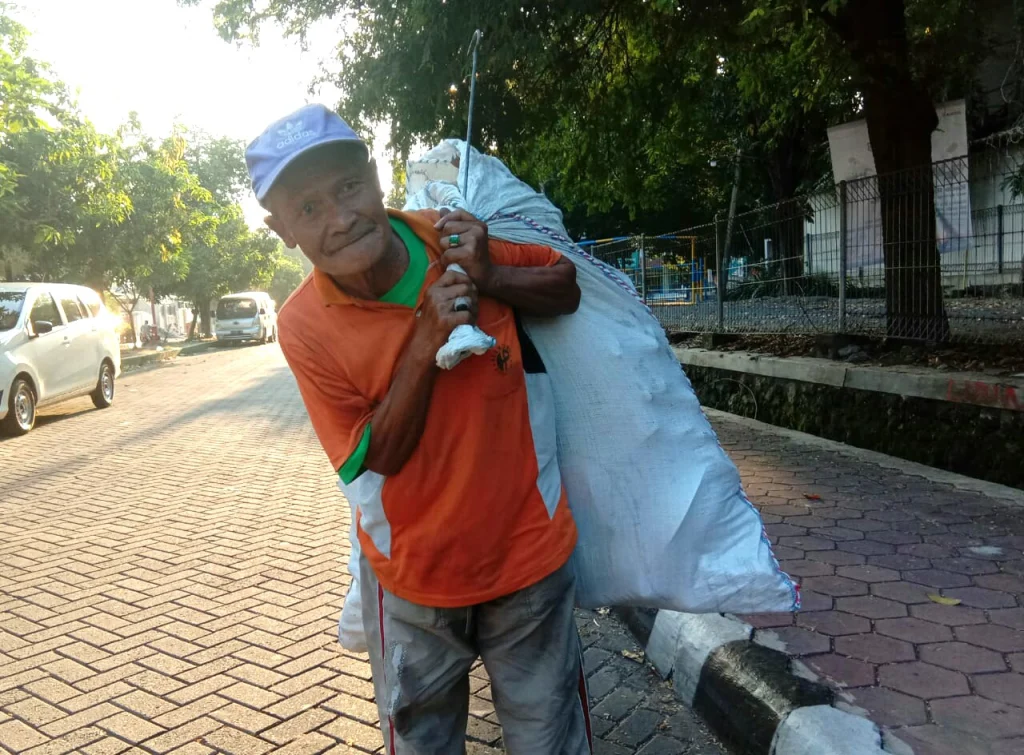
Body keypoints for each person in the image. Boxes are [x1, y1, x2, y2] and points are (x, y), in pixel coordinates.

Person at [245, 104, 590, 755]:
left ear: (374, 177)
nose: (341, 218)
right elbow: (379, 457)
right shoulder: (302, 325)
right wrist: (423, 340)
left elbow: (565, 284)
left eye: (348, 187)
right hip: (413, 585)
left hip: (528, 562)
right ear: (281, 227)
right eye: (309, 208)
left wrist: (491, 276)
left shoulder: (453, 238)